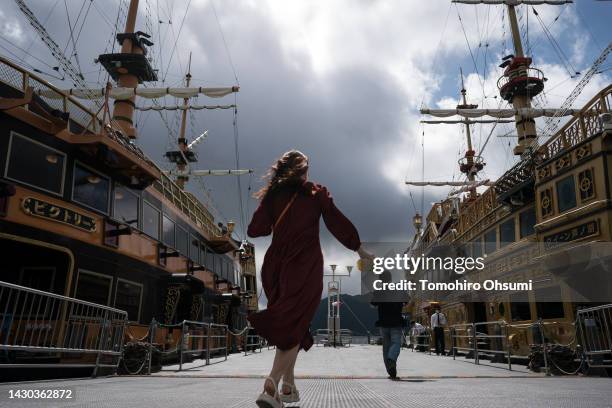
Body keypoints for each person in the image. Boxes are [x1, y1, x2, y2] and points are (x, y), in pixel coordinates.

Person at [247, 150, 372, 408]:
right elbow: (336, 222)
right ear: (305, 170)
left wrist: (271, 202)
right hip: (304, 264)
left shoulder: (273, 195)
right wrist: (358, 247)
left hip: (274, 268)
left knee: (294, 320)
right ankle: (271, 385)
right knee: (295, 323)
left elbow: (255, 230)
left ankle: (288, 387)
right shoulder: (315, 193)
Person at [371, 271, 405, 380]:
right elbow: (407, 300)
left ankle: (390, 371)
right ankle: (392, 360)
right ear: (390, 278)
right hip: (396, 322)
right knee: (396, 343)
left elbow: (372, 304)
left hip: (384, 323)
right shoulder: (397, 289)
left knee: (386, 347)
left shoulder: (379, 292)